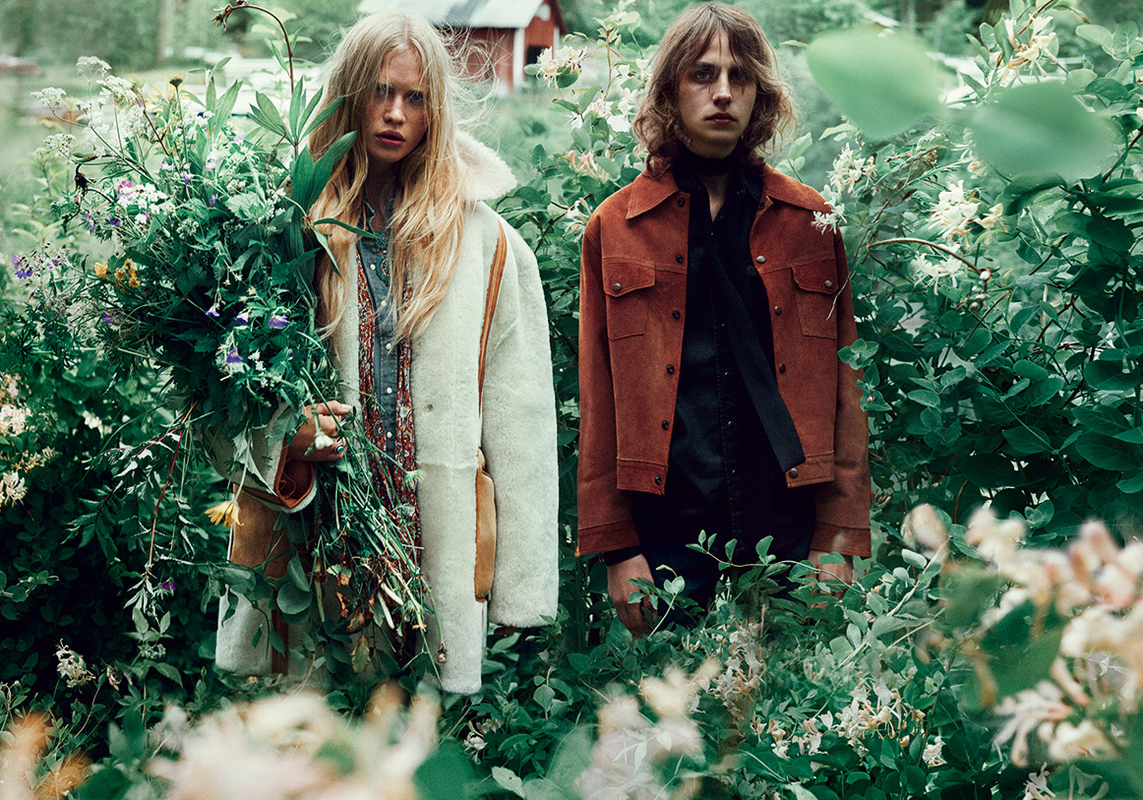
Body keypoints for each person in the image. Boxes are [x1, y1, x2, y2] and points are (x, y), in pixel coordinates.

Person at [213, 11, 559, 694]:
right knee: (312, 723)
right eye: (379, 91)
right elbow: (220, 395)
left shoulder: (486, 245)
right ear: (348, 94)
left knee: (419, 730)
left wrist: (521, 586)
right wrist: (285, 435)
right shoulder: (284, 226)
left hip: (434, 537)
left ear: (436, 109)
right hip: (314, 531)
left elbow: (521, 419)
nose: (395, 113)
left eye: (415, 97)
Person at [576, 2, 871, 636]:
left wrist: (838, 535)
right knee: (675, 697)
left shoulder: (810, 221)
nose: (723, 92)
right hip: (666, 532)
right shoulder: (615, 228)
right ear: (670, 90)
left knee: (793, 696)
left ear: (760, 94)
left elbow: (847, 390)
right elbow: (599, 397)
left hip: (790, 528)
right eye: (703, 74)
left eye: (740, 76)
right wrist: (617, 545)